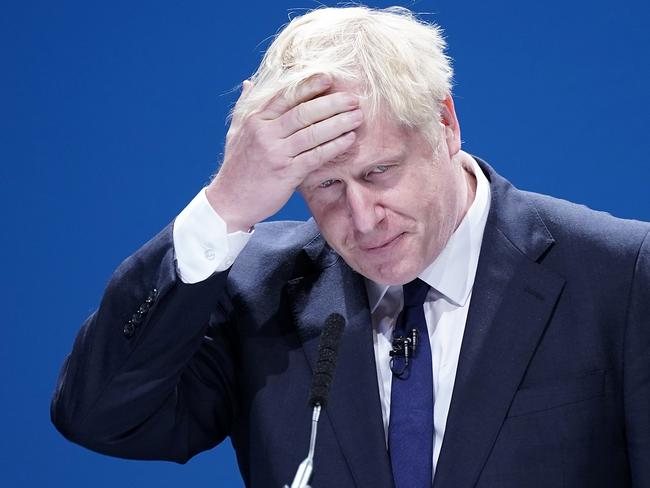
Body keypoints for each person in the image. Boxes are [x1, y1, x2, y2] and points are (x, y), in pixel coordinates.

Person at [51, 6, 650, 488]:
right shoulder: (258, 292)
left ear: (445, 123)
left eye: (379, 171)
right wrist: (225, 207)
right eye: (326, 186)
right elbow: (101, 417)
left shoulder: (621, 275)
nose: (361, 220)